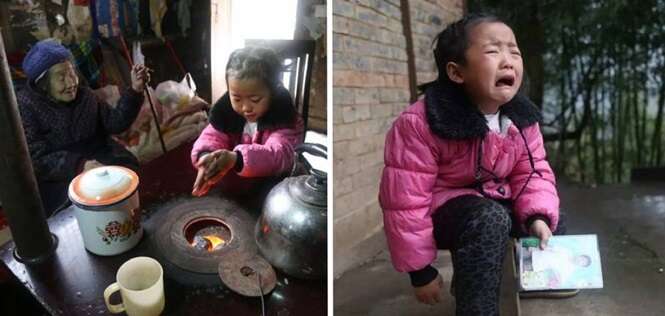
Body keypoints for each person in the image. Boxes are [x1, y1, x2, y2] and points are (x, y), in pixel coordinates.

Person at [379, 13, 566, 315]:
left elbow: (532, 173)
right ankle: (477, 308)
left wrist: (538, 217)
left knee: (550, 219)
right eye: (493, 51)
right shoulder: (421, 123)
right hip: (444, 212)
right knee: (488, 221)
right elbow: (405, 202)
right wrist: (420, 271)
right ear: (456, 72)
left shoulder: (521, 118)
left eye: (514, 51)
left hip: (493, 200)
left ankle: (504, 278)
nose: (508, 61)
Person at [17, 39, 150, 216]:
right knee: (75, 208)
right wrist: (80, 165)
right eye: (61, 77)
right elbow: (36, 158)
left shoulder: (86, 96)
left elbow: (115, 123)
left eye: (71, 73)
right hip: (60, 174)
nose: (71, 82)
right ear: (43, 83)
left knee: (128, 182)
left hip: (99, 155)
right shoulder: (26, 106)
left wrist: (135, 90)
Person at [190, 47, 303, 197]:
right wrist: (207, 156)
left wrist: (236, 159)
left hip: (275, 185)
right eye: (236, 98)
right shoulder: (225, 114)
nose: (245, 107)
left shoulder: (285, 119)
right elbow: (212, 136)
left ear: (273, 92)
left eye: (255, 99)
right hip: (241, 182)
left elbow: (279, 156)